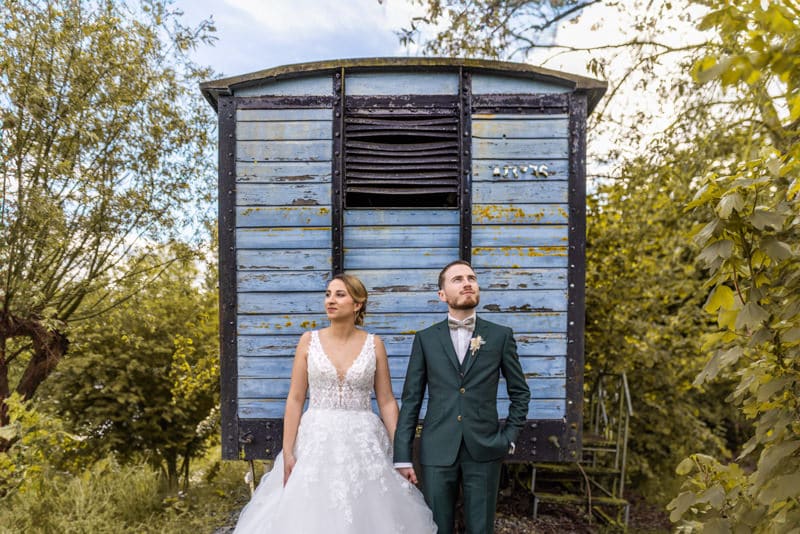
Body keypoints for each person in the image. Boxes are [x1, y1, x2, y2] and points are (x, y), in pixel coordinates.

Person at [233, 274, 437, 533]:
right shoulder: (309, 341)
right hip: (316, 439)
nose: (331, 300)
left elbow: (386, 402)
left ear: (358, 304)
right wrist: (287, 452)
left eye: (340, 295)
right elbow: (295, 400)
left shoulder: (374, 344)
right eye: (328, 294)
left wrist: (402, 454)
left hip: (363, 440)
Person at [393, 260, 531, 534]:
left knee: (481, 528)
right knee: (434, 528)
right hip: (436, 449)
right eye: (457, 279)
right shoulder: (425, 339)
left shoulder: (500, 336)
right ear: (442, 295)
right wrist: (402, 456)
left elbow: (520, 393)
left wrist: (508, 438)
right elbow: (411, 400)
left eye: (471, 277)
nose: (467, 282)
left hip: (485, 448)